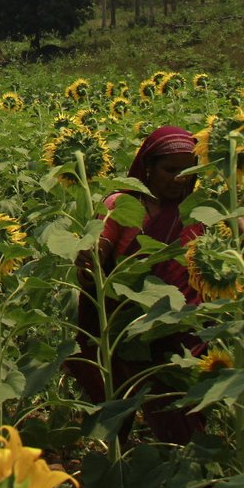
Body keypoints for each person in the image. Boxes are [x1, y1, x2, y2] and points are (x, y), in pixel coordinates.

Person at [67, 125, 207, 445]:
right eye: (170, 170)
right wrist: (89, 258)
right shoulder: (123, 204)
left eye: (189, 170)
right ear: (148, 167)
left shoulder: (198, 210)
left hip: (185, 331)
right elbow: (95, 259)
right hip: (131, 329)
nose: (180, 178)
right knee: (120, 408)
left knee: (184, 417)